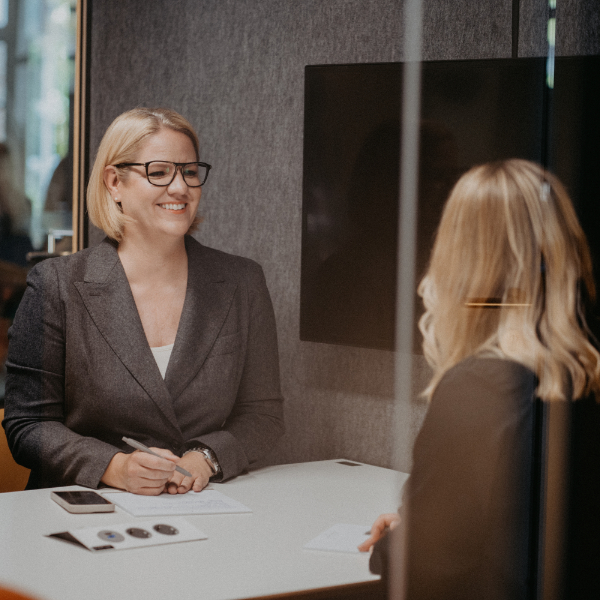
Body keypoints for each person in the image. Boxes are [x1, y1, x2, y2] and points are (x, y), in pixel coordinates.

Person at [2, 107, 284, 495]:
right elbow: (27, 424)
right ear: (114, 182)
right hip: (89, 511)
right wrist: (113, 467)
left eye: (189, 171)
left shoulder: (242, 281)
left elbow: (263, 414)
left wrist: (206, 457)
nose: (180, 187)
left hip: (206, 510)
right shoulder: (56, 285)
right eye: (159, 172)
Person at [358, 159, 600, 599]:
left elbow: (421, 574)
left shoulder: (482, 388)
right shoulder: (583, 375)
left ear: (465, 261)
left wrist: (398, 542)